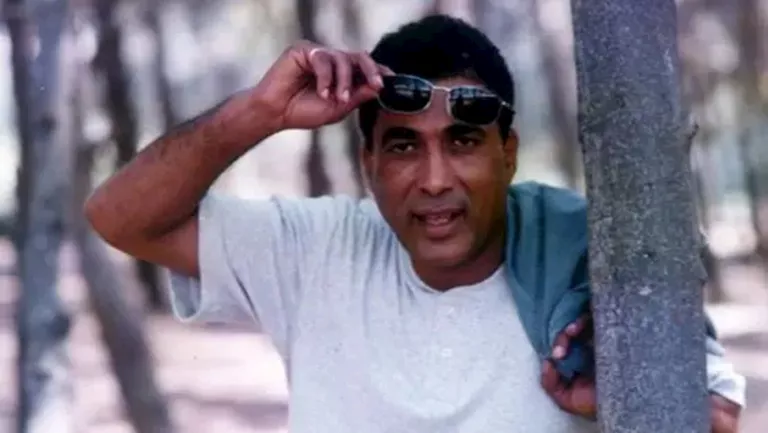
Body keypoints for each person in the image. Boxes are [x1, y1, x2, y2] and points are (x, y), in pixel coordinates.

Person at [85, 14, 744, 433]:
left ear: (508, 154)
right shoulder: (317, 251)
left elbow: (716, 420)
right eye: (403, 146)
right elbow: (118, 216)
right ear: (368, 162)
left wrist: (619, 391)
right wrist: (259, 111)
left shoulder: (584, 257)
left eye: (463, 141)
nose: (434, 179)